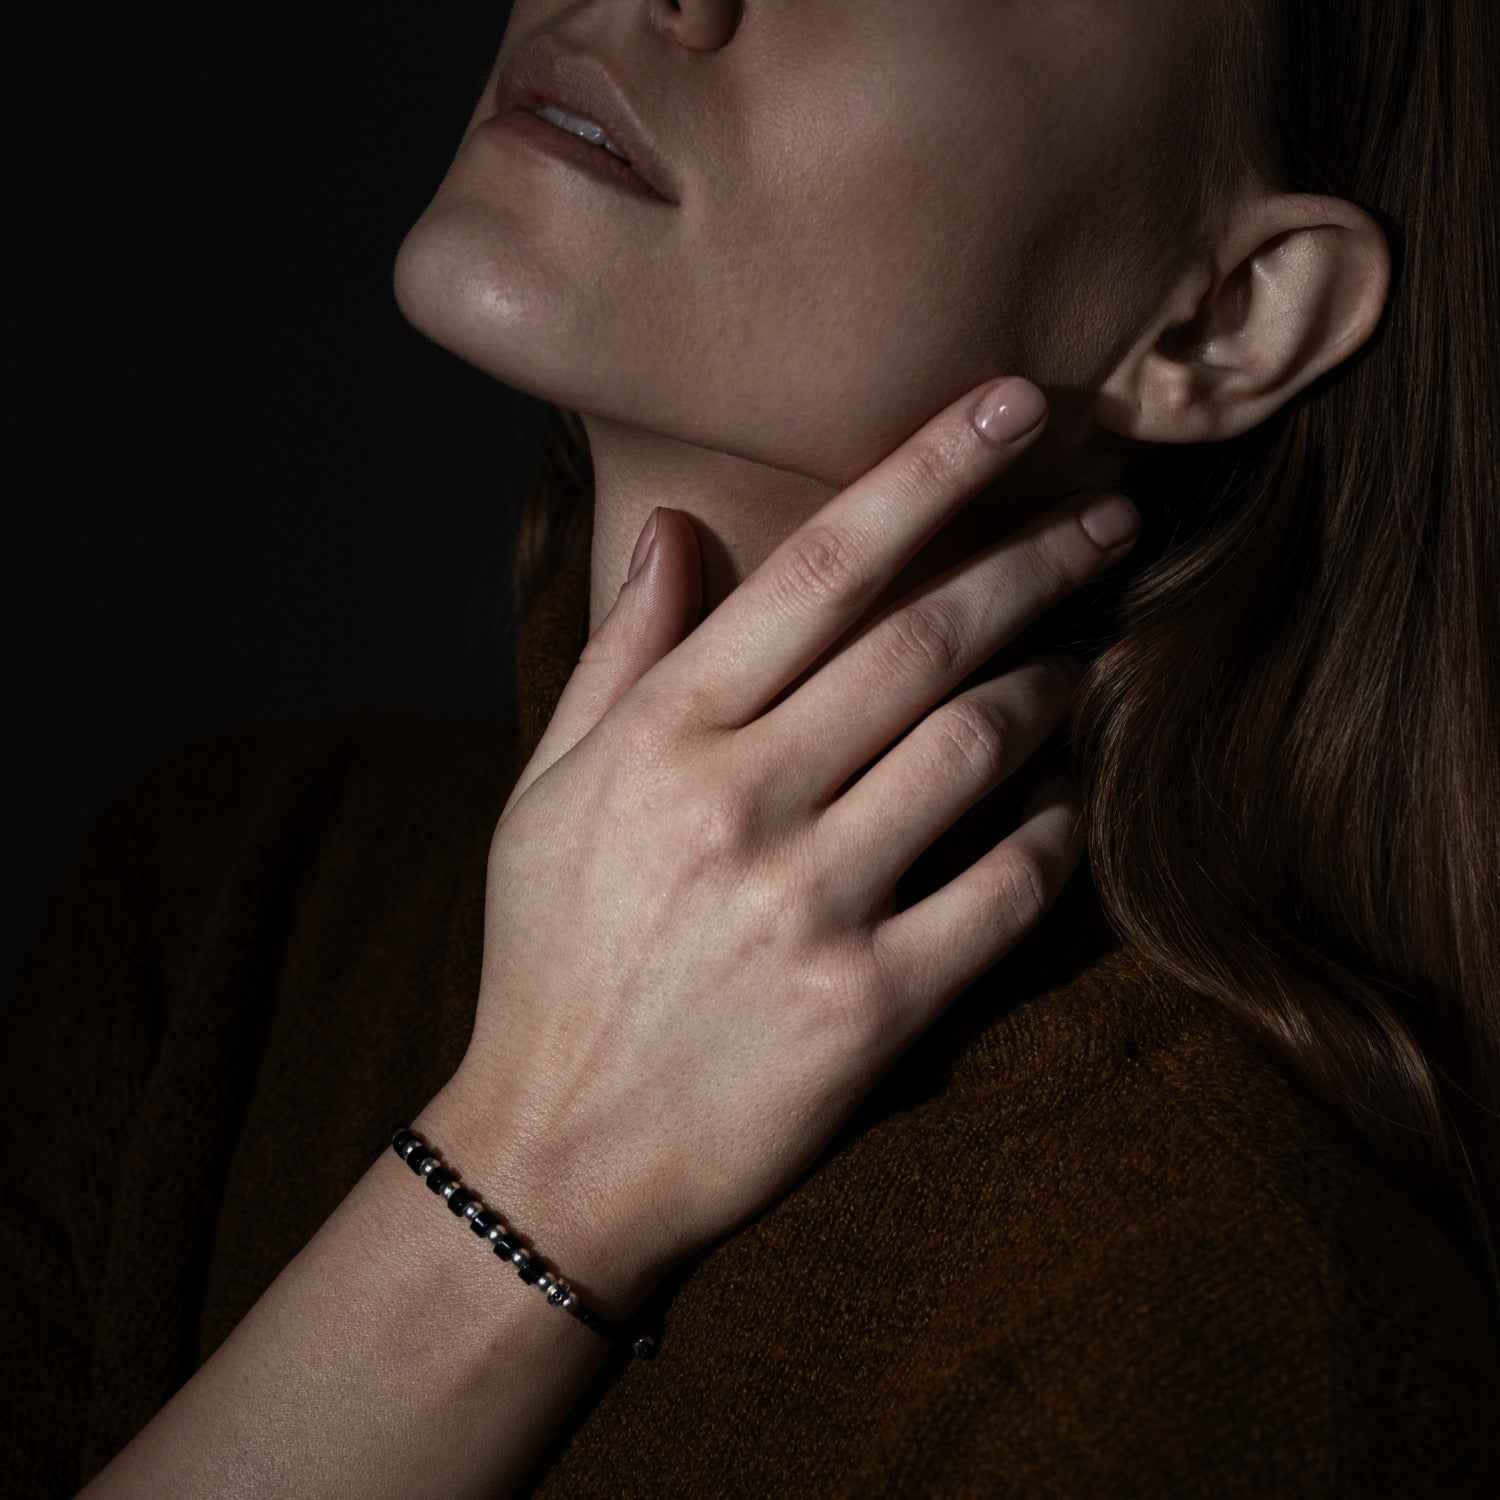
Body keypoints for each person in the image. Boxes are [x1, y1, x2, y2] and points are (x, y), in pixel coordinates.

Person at [4, 0, 1497, 1494]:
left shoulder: (1212, 1321)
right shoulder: (219, 904)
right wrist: (538, 1153)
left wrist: (544, 1162)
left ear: (1229, 316)